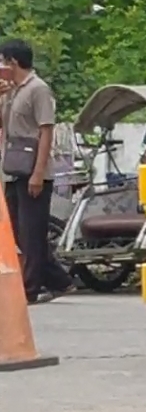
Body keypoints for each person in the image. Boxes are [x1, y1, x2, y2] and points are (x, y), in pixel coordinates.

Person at [0, 38, 76, 304]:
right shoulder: (11, 91)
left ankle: (30, 288)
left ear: (13, 62)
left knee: (33, 232)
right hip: (12, 167)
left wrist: (38, 173)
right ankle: (59, 279)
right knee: (18, 229)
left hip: (33, 168)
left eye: (3, 62)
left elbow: (46, 131)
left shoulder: (38, 89)